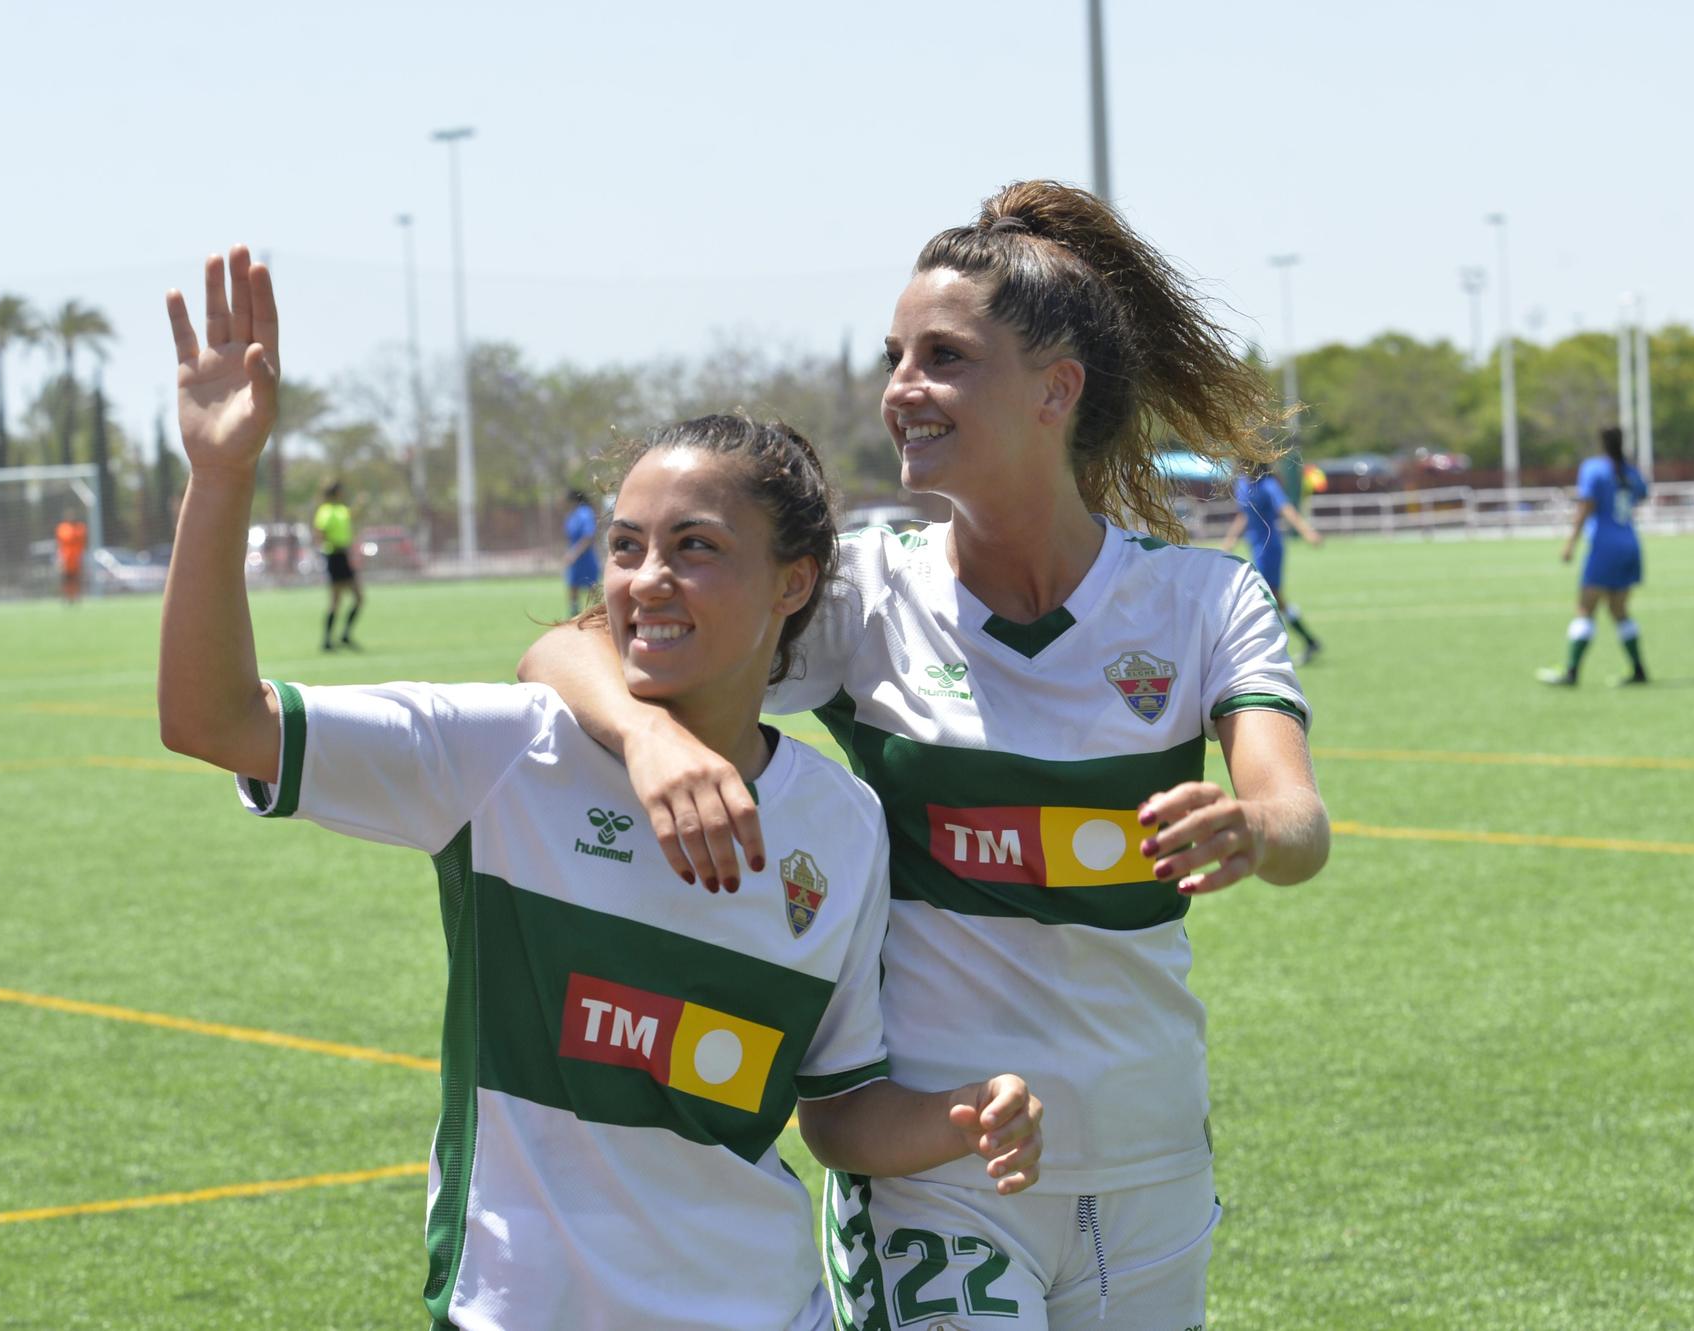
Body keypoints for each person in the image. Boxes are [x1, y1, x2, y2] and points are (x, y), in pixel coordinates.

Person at [157, 246, 1044, 1331]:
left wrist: (956, 1115)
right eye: (624, 547)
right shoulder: (504, 758)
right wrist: (221, 475)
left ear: (793, 582)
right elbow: (214, 719)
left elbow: (837, 1104)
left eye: (694, 546)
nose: (645, 579)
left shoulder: (838, 822)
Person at [519, 181, 1331, 1330]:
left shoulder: (1201, 601)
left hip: (1150, 1158)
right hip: (940, 1163)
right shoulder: (862, 591)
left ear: (1057, 390)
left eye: (943, 357)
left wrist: (1253, 829)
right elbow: (564, 648)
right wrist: (648, 733)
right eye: (895, 356)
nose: (902, 389)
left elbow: (1296, 819)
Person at [1538, 425, 1650, 686]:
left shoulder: (1594, 468)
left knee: (1585, 609)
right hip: (1630, 543)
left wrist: (1570, 543)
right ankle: (1639, 670)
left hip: (1604, 546)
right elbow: (1642, 495)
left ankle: (1571, 672)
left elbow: (1586, 506)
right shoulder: (1631, 471)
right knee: (1619, 610)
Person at [1220, 462, 1325, 664]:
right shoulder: (1242, 484)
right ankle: (1309, 640)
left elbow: (1286, 509)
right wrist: (1230, 539)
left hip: (1270, 549)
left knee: (1265, 596)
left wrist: (1307, 532)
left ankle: (1267, 651)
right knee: (1273, 598)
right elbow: (1244, 514)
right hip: (1255, 547)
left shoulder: (1268, 484)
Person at [313, 479, 362, 650]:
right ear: (335, 493)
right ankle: (327, 640)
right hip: (334, 556)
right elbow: (321, 532)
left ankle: (345, 635)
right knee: (336, 601)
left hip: (343, 555)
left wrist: (359, 504)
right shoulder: (325, 511)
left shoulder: (341, 509)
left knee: (358, 598)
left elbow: (350, 516)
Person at [563, 486, 601, 616]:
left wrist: (575, 552)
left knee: (592, 589)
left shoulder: (585, 513)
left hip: (586, 558)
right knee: (572, 587)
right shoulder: (572, 514)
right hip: (575, 561)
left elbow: (588, 536)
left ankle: (598, 615)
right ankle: (574, 615)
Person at [54, 507, 87, 606]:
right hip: (66, 559)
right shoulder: (62, 528)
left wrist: (81, 557)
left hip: (76, 559)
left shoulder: (80, 528)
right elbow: (59, 545)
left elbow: (83, 543)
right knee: (65, 580)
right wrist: (59, 559)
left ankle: (77, 597)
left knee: (76, 579)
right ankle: (66, 598)